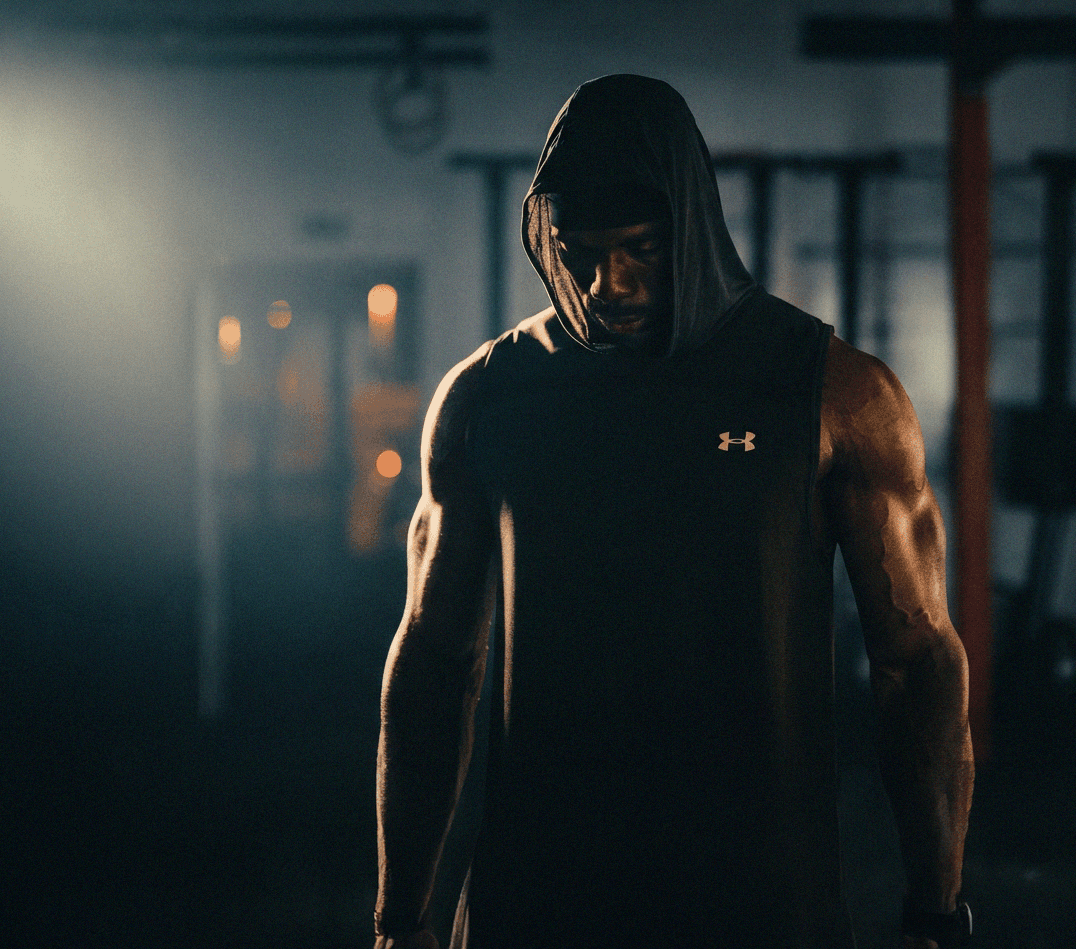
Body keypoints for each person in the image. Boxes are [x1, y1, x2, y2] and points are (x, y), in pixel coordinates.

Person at [375, 75, 973, 949]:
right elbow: (432, 661)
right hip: (539, 898)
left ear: (689, 227)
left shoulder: (834, 393)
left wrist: (937, 907)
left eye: (638, 249)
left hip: (759, 899)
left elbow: (916, 661)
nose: (602, 282)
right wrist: (398, 918)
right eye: (576, 251)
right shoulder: (485, 398)